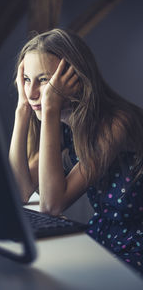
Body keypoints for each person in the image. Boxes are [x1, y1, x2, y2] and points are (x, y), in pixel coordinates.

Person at [9, 28, 143, 275]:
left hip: (135, 245)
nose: (32, 93)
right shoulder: (63, 125)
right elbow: (21, 191)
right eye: (27, 79)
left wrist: (49, 109)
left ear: (75, 78)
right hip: (102, 236)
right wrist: (21, 111)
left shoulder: (116, 124)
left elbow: (52, 205)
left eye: (44, 80)